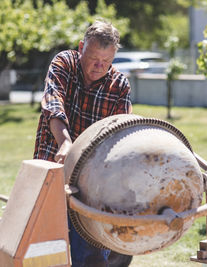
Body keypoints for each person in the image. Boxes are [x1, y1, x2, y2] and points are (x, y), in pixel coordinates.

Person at [33, 19, 132, 266]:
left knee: (89, 250)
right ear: (81, 47)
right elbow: (53, 101)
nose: (99, 67)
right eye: (93, 59)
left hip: (93, 180)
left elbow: (119, 133)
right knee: (46, 242)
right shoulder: (64, 62)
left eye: (106, 62)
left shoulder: (119, 85)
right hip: (52, 164)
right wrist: (65, 143)